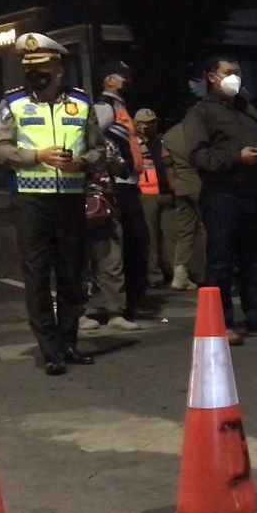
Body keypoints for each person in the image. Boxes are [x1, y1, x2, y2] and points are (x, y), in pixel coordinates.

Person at [0, 33, 104, 375]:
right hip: (31, 200)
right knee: (37, 274)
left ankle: (68, 341)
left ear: (58, 69)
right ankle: (49, 347)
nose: (36, 74)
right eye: (30, 68)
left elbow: (98, 149)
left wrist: (82, 163)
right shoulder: (13, 104)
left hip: (69, 199)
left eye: (43, 67)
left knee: (72, 272)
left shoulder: (82, 104)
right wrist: (35, 155)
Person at [181, 53, 257, 342]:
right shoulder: (201, 113)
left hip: (253, 194)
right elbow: (198, 155)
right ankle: (222, 323)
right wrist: (237, 158)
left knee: (256, 260)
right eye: (229, 72)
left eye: (238, 72)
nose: (235, 78)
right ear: (212, 77)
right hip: (222, 196)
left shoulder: (246, 109)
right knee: (220, 263)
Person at [94, 61, 149, 315]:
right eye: (120, 76)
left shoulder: (118, 106)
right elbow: (94, 138)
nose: (125, 80)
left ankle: (132, 300)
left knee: (136, 243)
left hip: (127, 184)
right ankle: (128, 303)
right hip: (119, 186)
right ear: (108, 80)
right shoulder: (105, 108)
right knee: (131, 244)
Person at [80, 131, 141, 332]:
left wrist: (111, 162)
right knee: (77, 263)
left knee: (112, 262)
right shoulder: (69, 139)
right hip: (75, 205)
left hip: (107, 206)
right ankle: (78, 313)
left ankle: (116, 313)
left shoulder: (106, 142)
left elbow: (123, 169)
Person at [134, 108, 175, 286]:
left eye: (153, 122)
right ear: (138, 125)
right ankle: (153, 274)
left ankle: (171, 271)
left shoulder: (162, 141)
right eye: (146, 123)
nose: (151, 126)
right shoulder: (134, 143)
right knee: (150, 237)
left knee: (170, 235)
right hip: (146, 195)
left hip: (166, 193)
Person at [162, 118, 201, 290]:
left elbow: (166, 163)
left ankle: (180, 273)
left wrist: (173, 184)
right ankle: (209, 274)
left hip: (180, 185)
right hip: (200, 183)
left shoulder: (170, 135)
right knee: (209, 229)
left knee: (185, 231)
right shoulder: (199, 130)